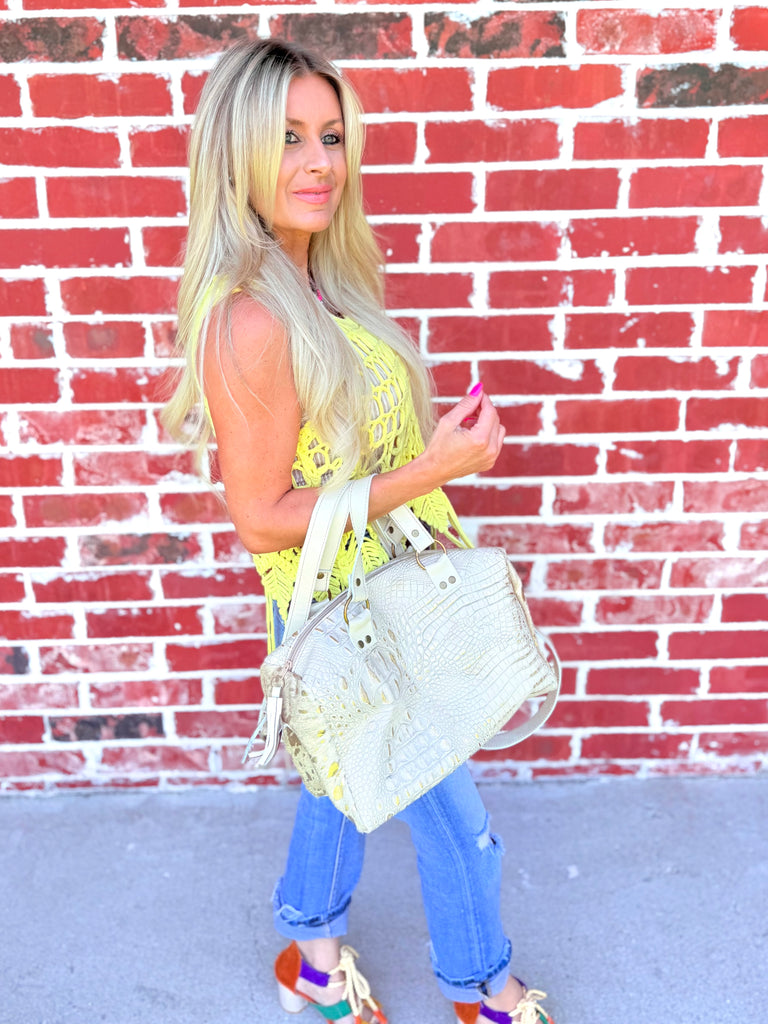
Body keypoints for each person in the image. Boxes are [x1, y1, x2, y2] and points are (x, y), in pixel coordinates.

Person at [162, 37, 554, 1024]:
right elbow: (261, 520)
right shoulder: (252, 319)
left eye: (331, 137)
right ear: (238, 154)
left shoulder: (319, 286)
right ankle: (485, 989)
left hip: (378, 596)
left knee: (339, 782)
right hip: (342, 614)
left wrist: (428, 467)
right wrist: (428, 473)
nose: (318, 163)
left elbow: (342, 459)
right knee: (459, 825)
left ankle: (310, 953)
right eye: (288, 138)